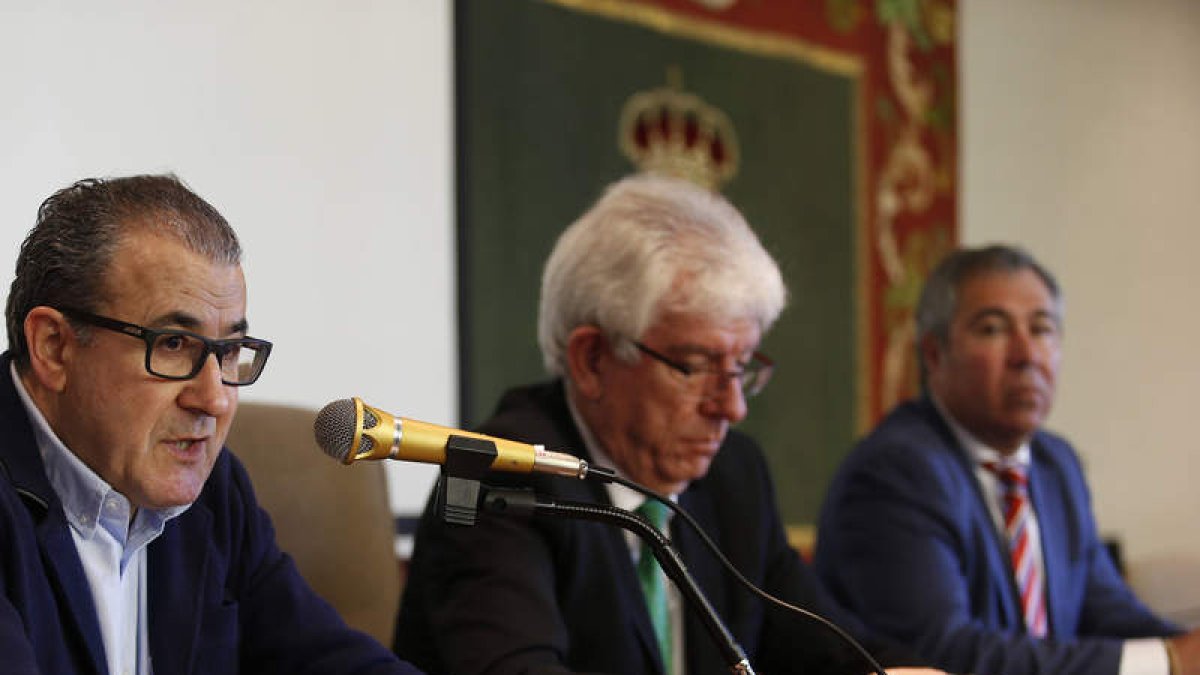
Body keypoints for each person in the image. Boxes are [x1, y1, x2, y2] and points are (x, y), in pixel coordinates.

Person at [394, 173, 943, 675]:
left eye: (741, 367)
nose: (731, 407)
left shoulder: (734, 475)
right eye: (698, 367)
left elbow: (827, 645)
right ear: (592, 360)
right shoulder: (491, 479)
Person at [0, 174, 423, 674]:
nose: (215, 400)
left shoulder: (216, 493)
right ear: (54, 347)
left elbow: (330, 661)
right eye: (174, 345)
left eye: (229, 353)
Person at [815, 244, 1200, 675]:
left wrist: (1183, 649)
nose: (1026, 355)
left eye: (1042, 329)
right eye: (993, 329)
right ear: (934, 353)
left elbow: (1106, 612)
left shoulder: (1056, 464)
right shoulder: (895, 471)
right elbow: (942, 653)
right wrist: (1167, 661)